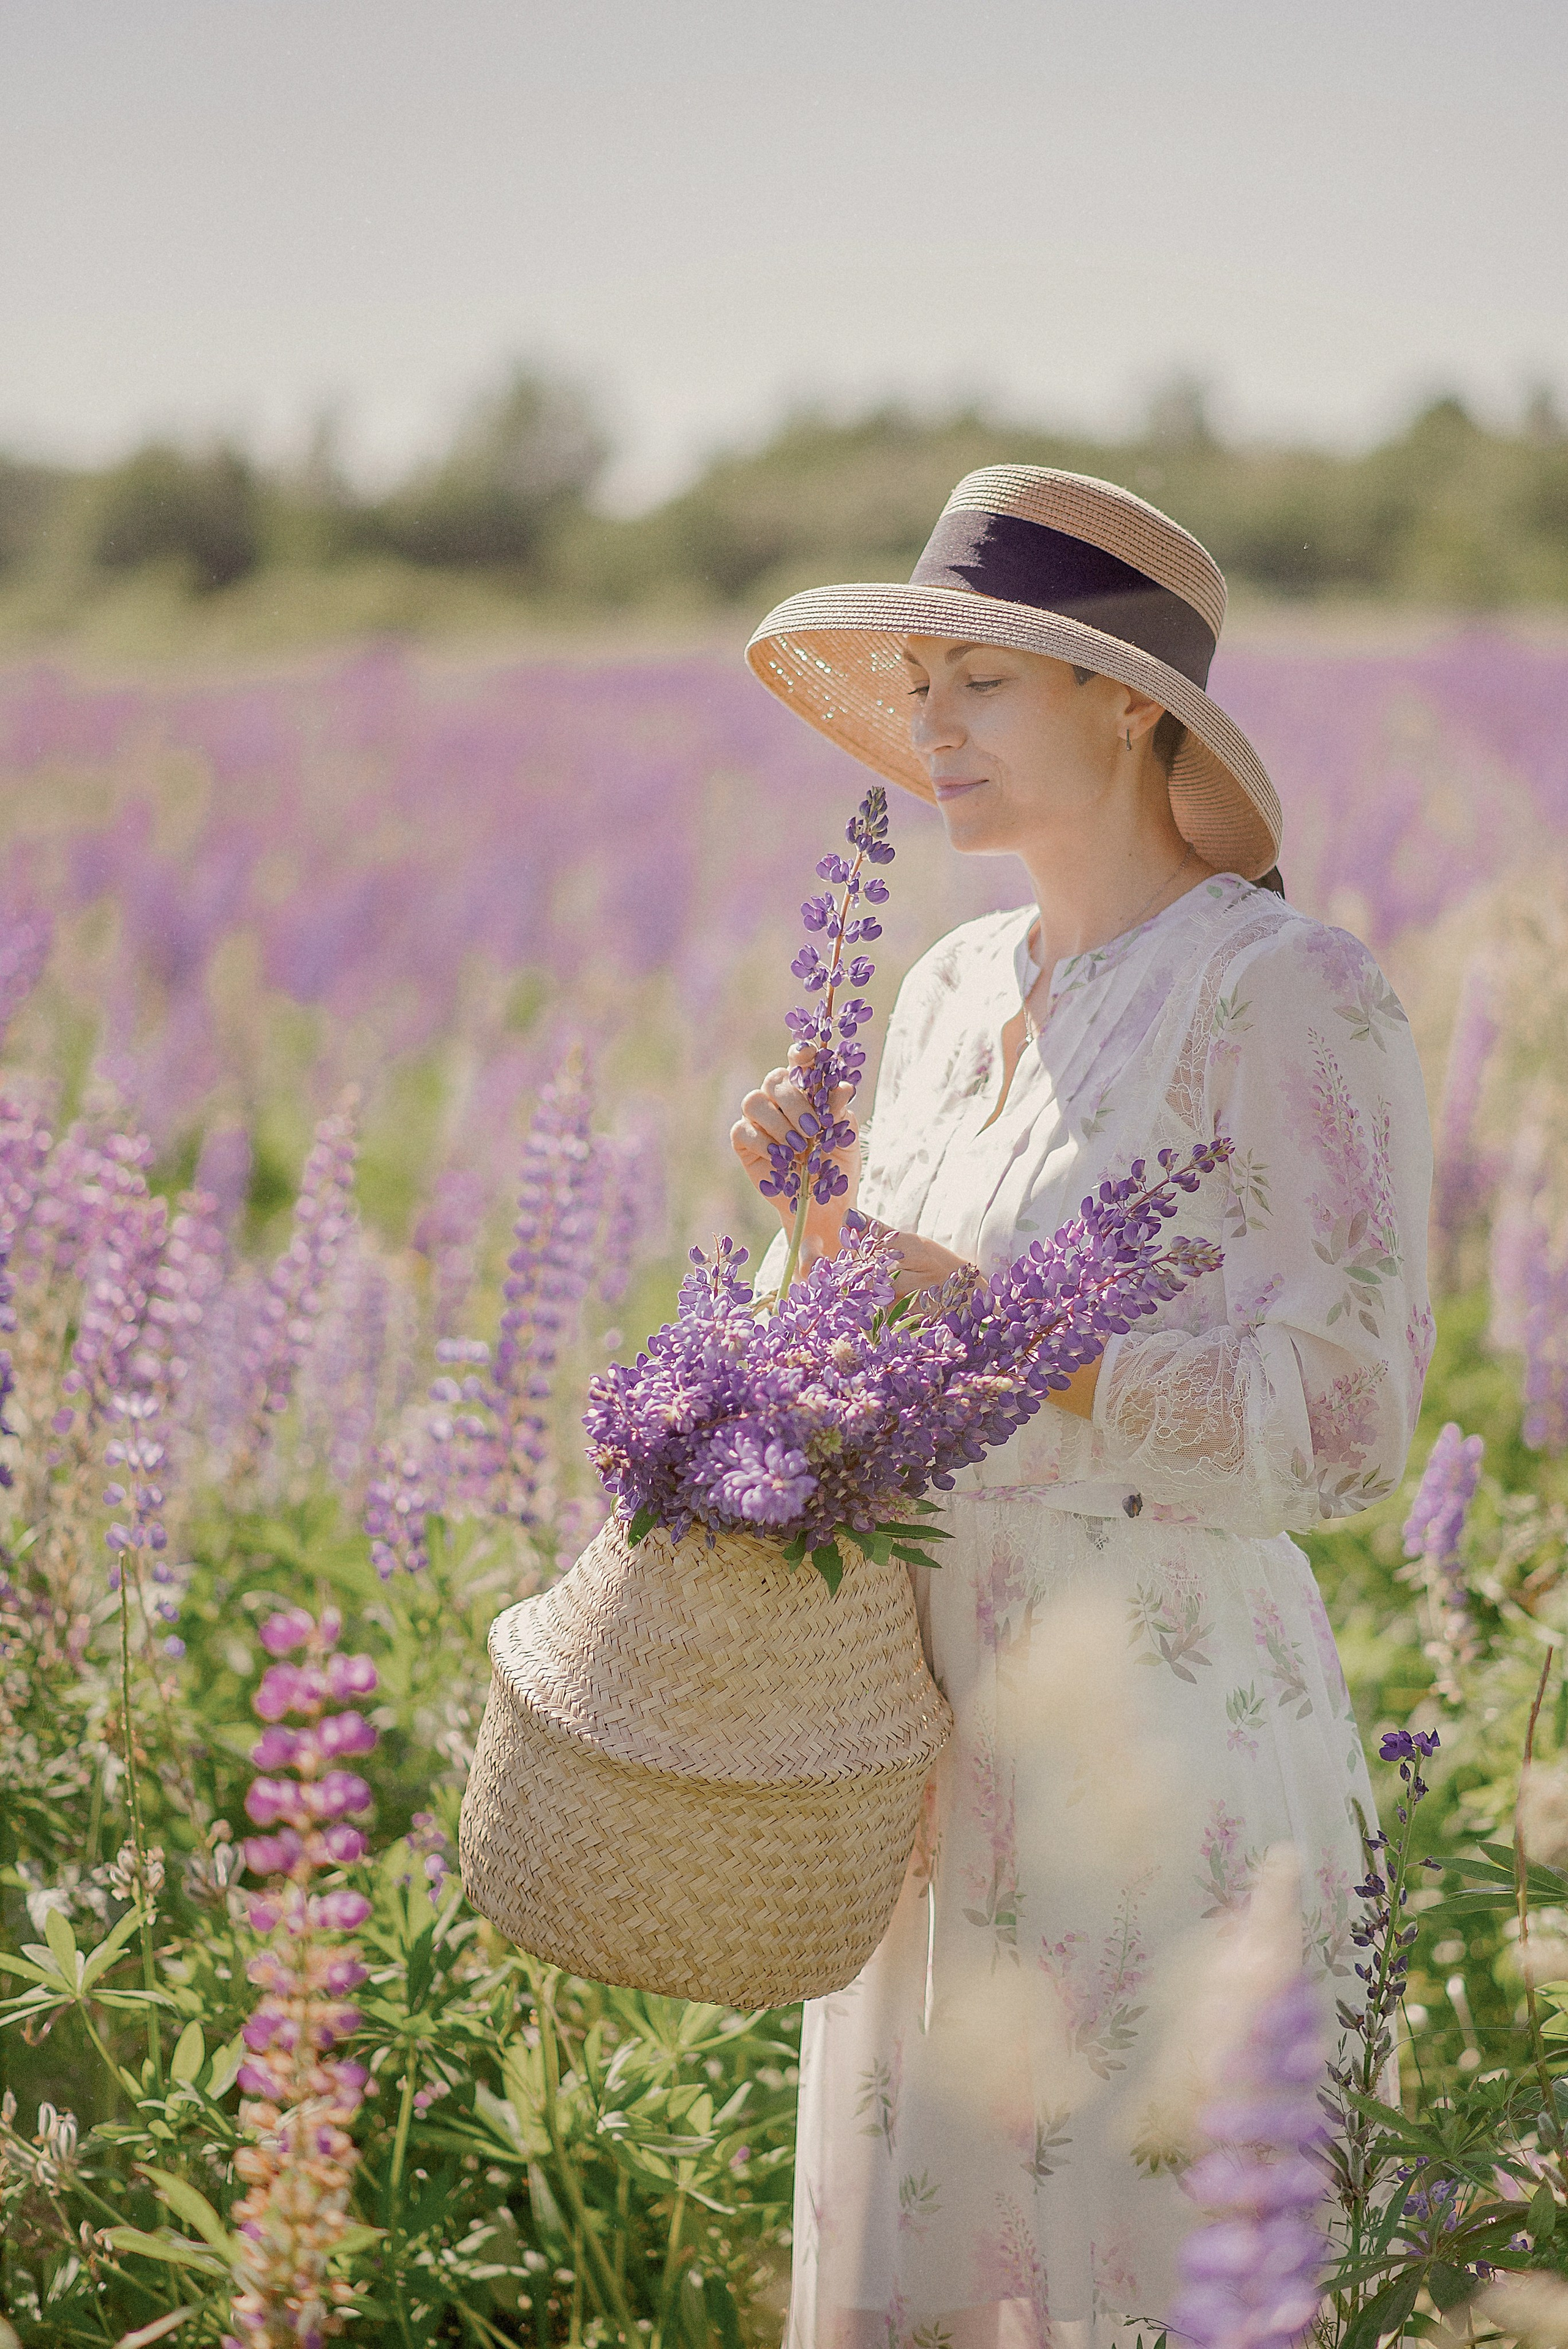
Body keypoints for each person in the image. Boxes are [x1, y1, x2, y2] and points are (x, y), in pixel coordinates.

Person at [729, 468, 1433, 2348]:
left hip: (1166, 1723)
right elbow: (902, 1360)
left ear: (1129, 702)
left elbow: (1357, 1417)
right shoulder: (952, 987)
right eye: (924, 685)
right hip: (929, 1737)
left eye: (983, 684)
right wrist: (819, 1239)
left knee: (1146, 2268)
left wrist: (1038, 1332)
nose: (933, 728)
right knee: (936, 2274)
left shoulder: (1292, 990)